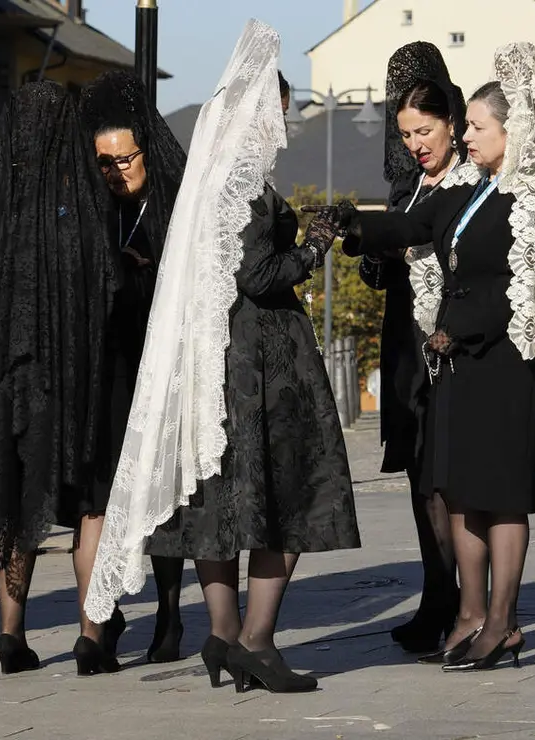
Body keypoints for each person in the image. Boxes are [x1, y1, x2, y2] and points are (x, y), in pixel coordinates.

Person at [85, 20, 359, 693]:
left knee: (221, 504)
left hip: (222, 364)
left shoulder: (208, 184)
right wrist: (319, 240)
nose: (283, 129)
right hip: (263, 365)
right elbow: (260, 277)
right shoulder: (241, 189)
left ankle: (223, 635)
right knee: (290, 498)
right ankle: (258, 641)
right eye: (278, 114)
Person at [337, 42, 535, 670]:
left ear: (511, 131)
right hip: (461, 365)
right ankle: (469, 611)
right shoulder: (472, 195)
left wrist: (455, 328)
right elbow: (411, 227)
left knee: (501, 494)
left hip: (501, 364)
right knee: (463, 492)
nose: (467, 136)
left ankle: (503, 620)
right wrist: (348, 225)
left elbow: (515, 289)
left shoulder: (527, 201)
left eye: (475, 125)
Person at [0, 80, 123, 676]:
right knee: (89, 509)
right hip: (79, 386)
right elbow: (107, 289)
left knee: (16, 503)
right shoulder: (83, 205)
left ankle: (11, 633)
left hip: (13, 387)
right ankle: (89, 635)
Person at [356, 41, 463, 655]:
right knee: (421, 479)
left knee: (444, 478)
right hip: (404, 344)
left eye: (424, 125)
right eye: (405, 129)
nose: (415, 141)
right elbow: (380, 273)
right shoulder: (406, 189)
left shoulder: (465, 180)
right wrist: (378, 253)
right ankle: (435, 594)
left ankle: (454, 600)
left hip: (443, 341)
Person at [79, 70, 188, 664]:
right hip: (111, 370)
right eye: (105, 162)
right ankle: (101, 616)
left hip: (162, 364)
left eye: (127, 158)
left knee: (164, 496)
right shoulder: (98, 212)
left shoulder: (169, 207)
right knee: (105, 498)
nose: (118, 171)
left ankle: (169, 616)